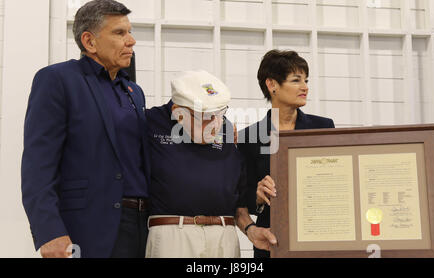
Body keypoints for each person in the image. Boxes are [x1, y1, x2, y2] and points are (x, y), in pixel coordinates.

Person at [21, 0, 151, 258]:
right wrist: (49, 231)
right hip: (87, 227)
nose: (131, 40)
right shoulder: (57, 80)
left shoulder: (134, 92)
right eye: (119, 33)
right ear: (89, 42)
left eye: (130, 31)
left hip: (140, 226)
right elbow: (38, 164)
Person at [145, 70, 277, 258]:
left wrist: (251, 230)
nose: (215, 125)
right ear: (178, 114)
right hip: (174, 235)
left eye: (220, 114)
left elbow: (237, 201)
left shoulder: (226, 130)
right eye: (206, 117)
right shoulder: (151, 122)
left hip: (224, 237)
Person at [238, 50, 335, 258]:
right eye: (296, 80)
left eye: (306, 80)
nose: (305, 87)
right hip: (272, 241)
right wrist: (257, 195)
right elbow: (239, 198)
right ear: (272, 85)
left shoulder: (323, 128)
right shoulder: (248, 138)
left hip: (320, 238)